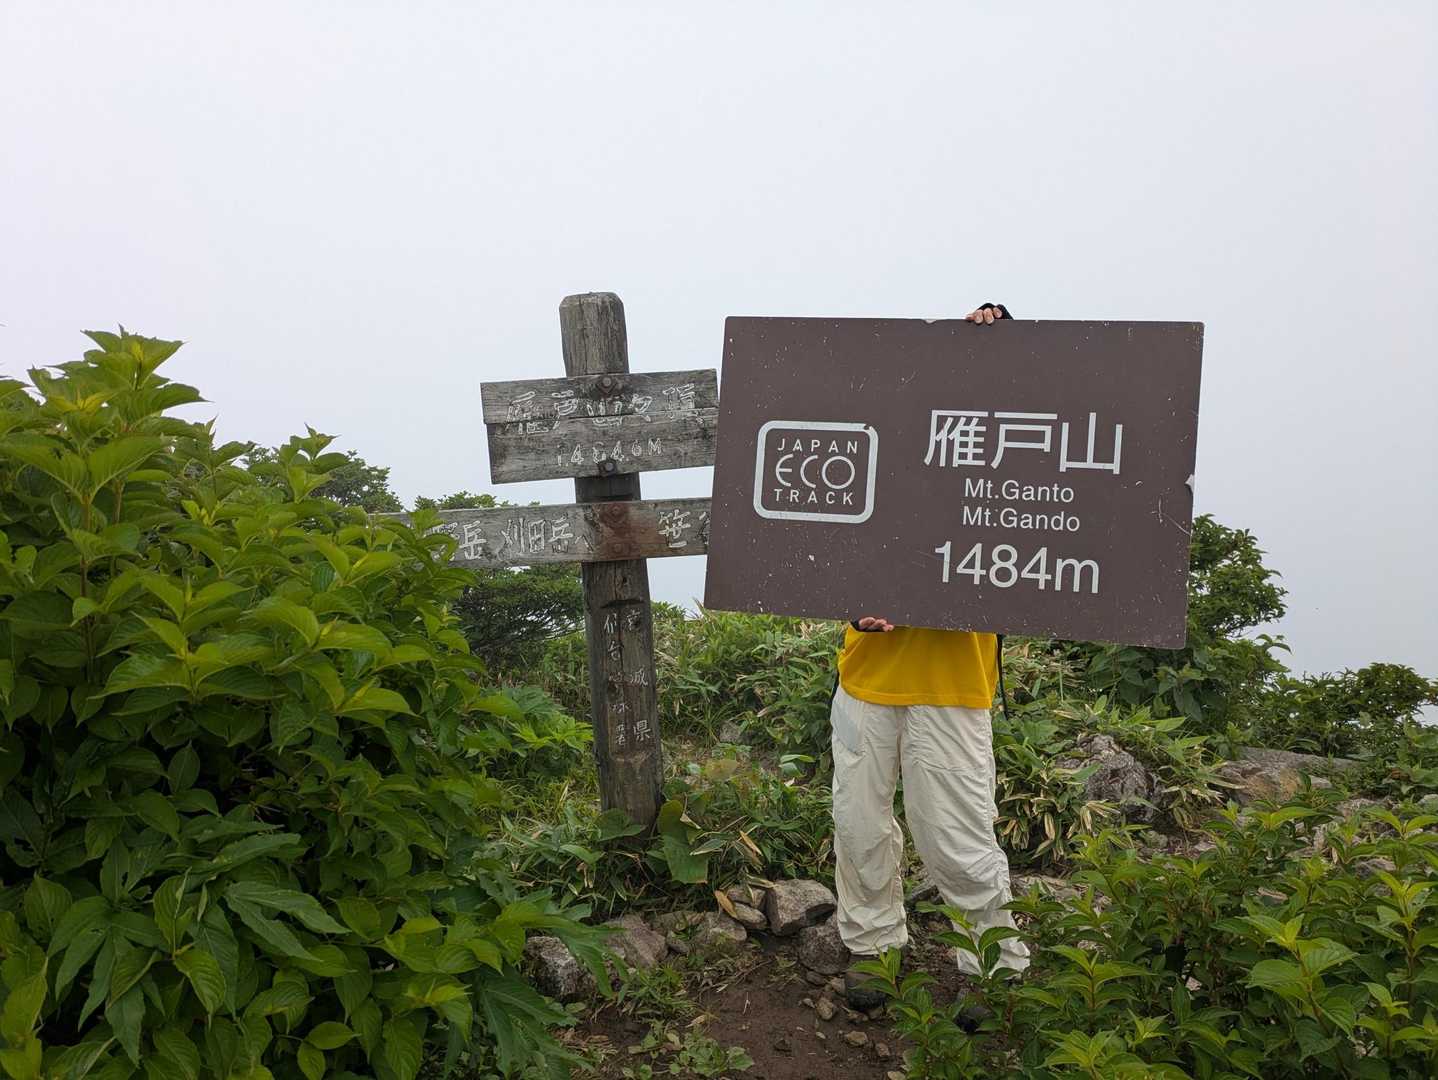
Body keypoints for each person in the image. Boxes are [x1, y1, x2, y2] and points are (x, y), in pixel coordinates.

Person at [833, 301, 1031, 1011]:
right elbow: (823, 551)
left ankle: (992, 967)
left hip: (953, 682)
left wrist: (999, 336)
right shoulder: (873, 450)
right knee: (859, 826)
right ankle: (872, 948)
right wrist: (851, 606)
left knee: (957, 836)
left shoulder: (998, 459)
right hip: (868, 678)